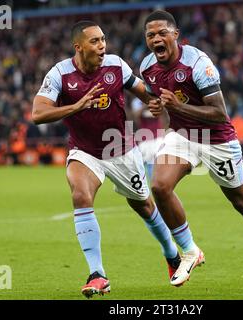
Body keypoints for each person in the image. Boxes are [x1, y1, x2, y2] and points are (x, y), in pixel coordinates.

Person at [32, 20, 180, 299]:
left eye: (103, 40)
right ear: (78, 47)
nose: (102, 46)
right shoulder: (59, 74)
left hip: (122, 150)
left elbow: (142, 90)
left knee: (145, 206)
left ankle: (172, 255)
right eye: (95, 41)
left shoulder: (115, 65)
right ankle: (97, 273)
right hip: (85, 151)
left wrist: (155, 101)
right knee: (80, 195)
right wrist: (75, 106)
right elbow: (38, 114)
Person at [140, 10, 243, 288]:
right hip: (182, 136)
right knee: (159, 186)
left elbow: (220, 113)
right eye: (150, 35)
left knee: (241, 202)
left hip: (218, 140)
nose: (156, 39)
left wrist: (177, 106)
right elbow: (156, 97)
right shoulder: (147, 65)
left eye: (162, 33)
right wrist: (156, 105)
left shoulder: (198, 63)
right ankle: (190, 250)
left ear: (175, 35)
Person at [131, 97, 167, 180]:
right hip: (145, 139)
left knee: (158, 161)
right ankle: (152, 183)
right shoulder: (137, 101)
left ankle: (158, 183)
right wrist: (145, 104)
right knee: (147, 163)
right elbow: (135, 116)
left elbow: (163, 115)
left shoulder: (156, 99)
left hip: (158, 137)